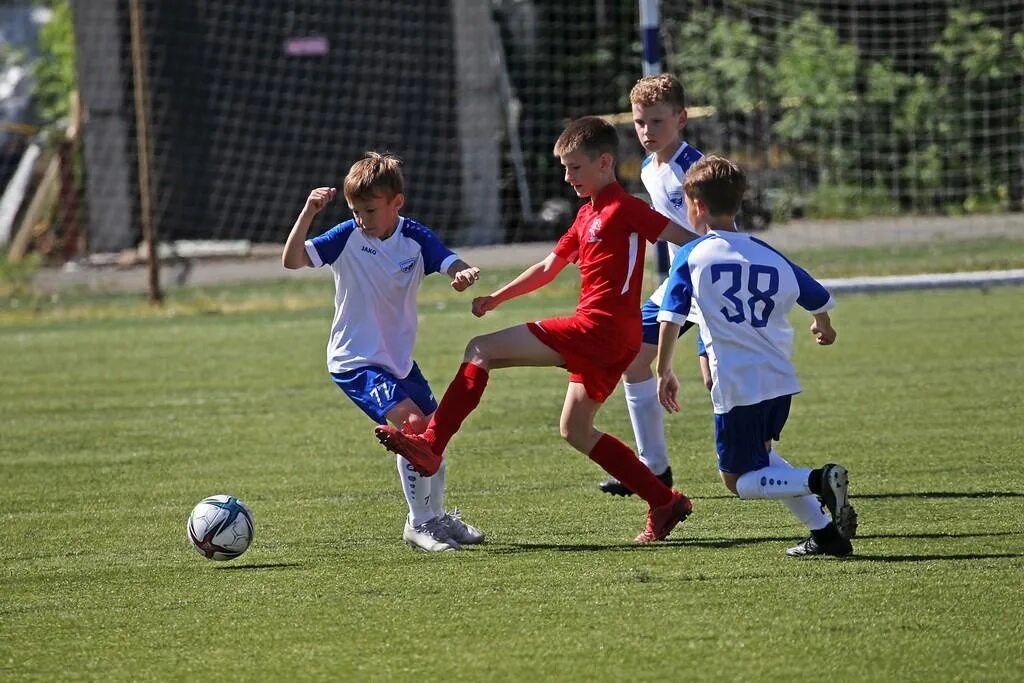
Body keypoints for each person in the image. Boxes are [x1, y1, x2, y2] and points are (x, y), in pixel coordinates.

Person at [375, 116, 697, 543]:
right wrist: (497, 299)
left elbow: (691, 241)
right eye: (564, 168)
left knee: (479, 350)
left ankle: (432, 444)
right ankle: (664, 502)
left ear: (604, 163)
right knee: (576, 430)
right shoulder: (587, 215)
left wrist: (715, 261)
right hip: (612, 339)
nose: (568, 177)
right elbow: (548, 268)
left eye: (575, 167)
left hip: (598, 329)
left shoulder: (626, 207)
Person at [282, 151, 486, 553]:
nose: (362, 219)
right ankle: (419, 523)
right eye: (356, 210)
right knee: (412, 426)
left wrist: (461, 273)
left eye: (370, 210)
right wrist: (308, 211)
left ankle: (439, 518)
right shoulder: (346, 236)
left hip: (399, 362)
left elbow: (448, 261)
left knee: (435, 434)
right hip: (355, 360)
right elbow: (292, 260)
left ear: (397, 204)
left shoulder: (414, 237)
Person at [655, 155, 859, 557]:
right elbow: (815, 294)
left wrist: (663, 369)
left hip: (737, 383)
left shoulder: (691, 255)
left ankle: (820, 479)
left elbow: (671, 316)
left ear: (696, 206)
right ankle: (826, 535)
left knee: (736, 480)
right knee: (763, 458)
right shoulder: (769, 253)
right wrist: (824, 325)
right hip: (779, 380)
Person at [599, 73, 708, 497]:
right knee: (633, 360)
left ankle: (758, 458)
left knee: (719, 378)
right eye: (640, 122)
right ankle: (653, 467)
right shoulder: (647, 169)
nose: (647, 131)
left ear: (681, 119)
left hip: (709, 280)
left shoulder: (692, 167)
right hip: (681, 280)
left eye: (657, 122)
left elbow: (712, 231)